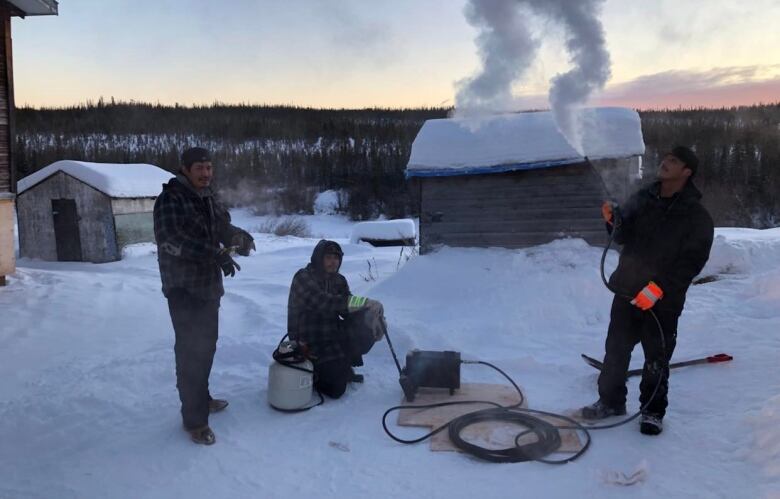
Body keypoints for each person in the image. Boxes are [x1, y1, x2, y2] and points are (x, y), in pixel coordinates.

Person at [581, 145, 714, 435]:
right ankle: (610, 402)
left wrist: (659, 288)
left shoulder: (696, 215)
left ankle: (652, 411)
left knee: (656, 357)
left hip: (662, 300)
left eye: (673, 160)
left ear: (686, 172)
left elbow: (693, 261)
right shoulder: (643, 198)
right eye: (665, 157)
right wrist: (613, 221)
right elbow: (624, 235)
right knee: (616, 350)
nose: (665, 162)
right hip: (628, 288)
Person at [153, 147, 255, 445]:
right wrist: (216, 255)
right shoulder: (170, 200)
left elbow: (221, 226)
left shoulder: (209, 196)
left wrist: (237, 237)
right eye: (200, 167)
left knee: (206, 347)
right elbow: (172, 242)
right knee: (190, 352)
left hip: (208, 287)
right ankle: (194, 420)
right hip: (183, 288)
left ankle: (201, 397)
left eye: (209, 167)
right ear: (185, 168)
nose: (206, 173)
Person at [287, 240, 385, 399]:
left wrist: (372, 314)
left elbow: (348, 307)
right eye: (328, 257)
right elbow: (325, 302)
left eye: (336, 258)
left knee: (365, 319)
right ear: (318, 258)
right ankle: (315, 372)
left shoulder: (338, 280)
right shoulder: (303, 277)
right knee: (336, 390)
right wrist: (364, 303)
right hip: (307, 340)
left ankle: (343, 364)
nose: (333, 262)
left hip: (331, 334)